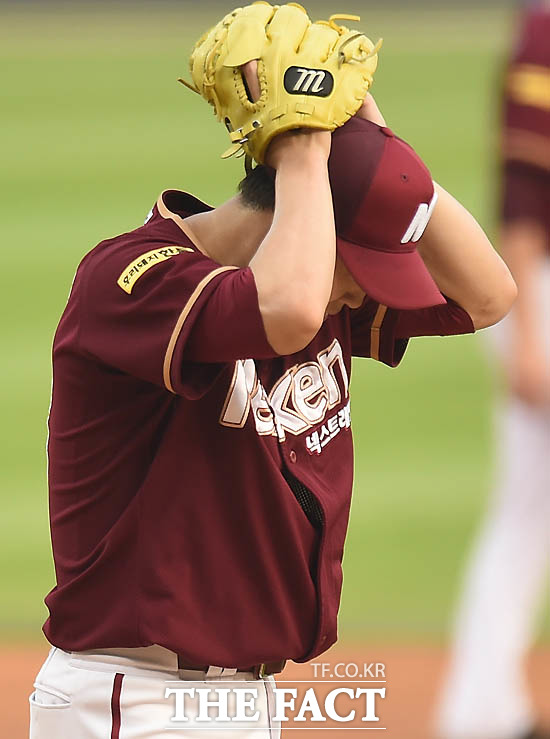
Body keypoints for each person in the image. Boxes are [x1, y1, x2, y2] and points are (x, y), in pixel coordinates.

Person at [29, 4, 517, 737]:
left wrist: (369, 137)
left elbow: (489, 294)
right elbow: (285, 306)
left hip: (239, 703)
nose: (361, 296)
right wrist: (299, 145)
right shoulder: (132, 279)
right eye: (361, 271)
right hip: (137, 700)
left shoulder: (319, 294)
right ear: (304, 214)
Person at [436, 2, 550, 738]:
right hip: (546, 295)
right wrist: (529, 337)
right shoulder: (545, 32)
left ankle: (482, 707)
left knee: (527, 519)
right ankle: (478, 710)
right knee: (526, 515)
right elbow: (525, 186)